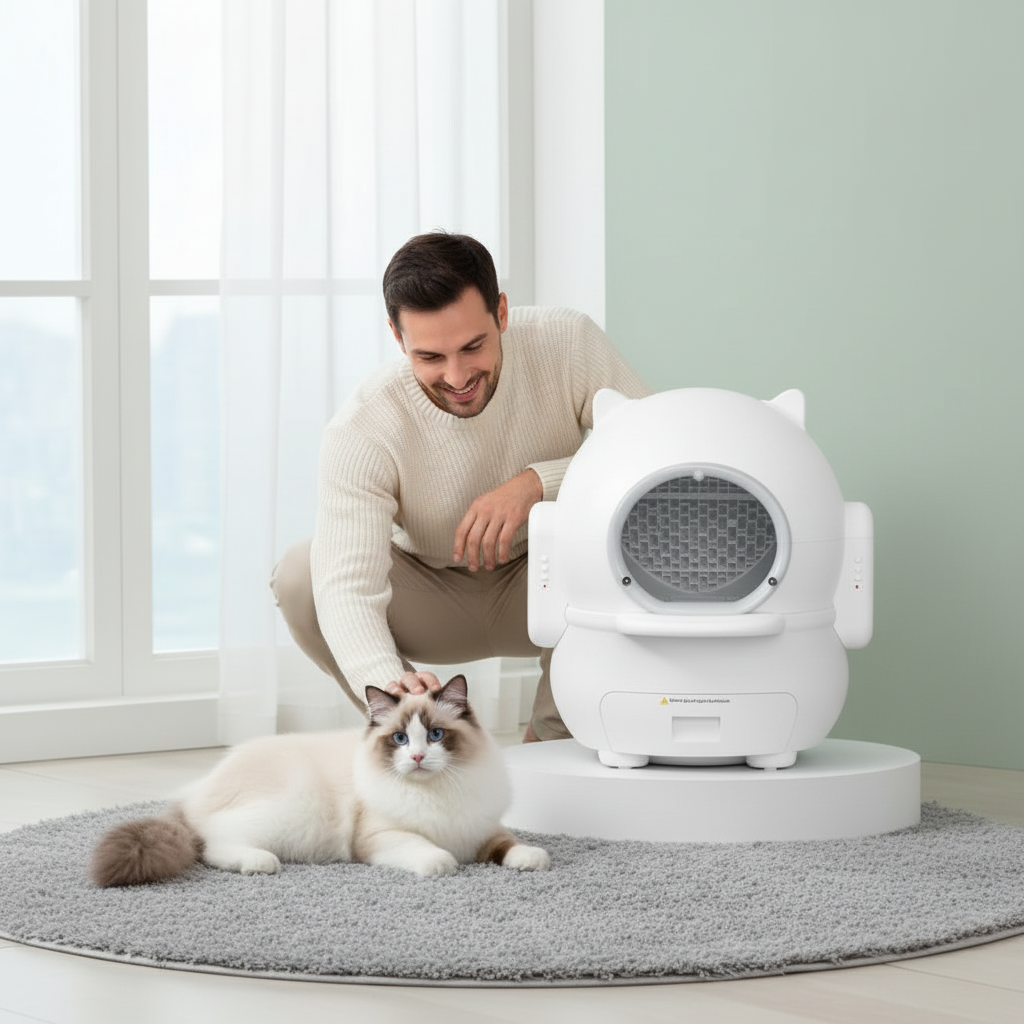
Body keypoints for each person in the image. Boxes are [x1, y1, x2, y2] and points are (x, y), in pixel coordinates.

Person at [271, 231, 650, 741]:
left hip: (545, 582)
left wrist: (538, 482)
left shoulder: (568, 342)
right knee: (300, 577)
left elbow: (653, 452)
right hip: (431, 593)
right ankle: (415, 735)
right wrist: (393, 688)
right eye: (430, 357)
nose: (457, 376)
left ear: (502, 313)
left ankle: (553, 737)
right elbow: (347, 588)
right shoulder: (363, 427)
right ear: (396, 336)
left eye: (474, 346)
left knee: (633, 536)